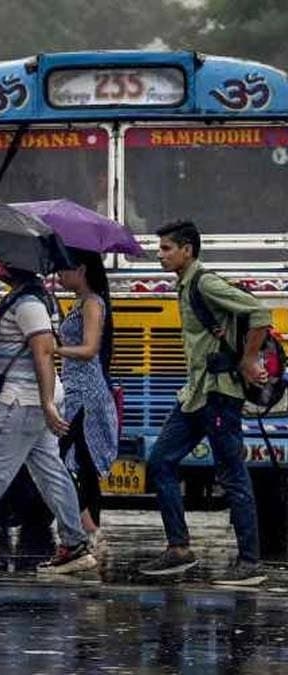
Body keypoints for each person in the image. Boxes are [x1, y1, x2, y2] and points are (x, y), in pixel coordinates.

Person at [139, 221, 270, 586]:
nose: (160, 255)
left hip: (219, 394)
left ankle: (249, 562)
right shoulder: (183, 286)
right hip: (195, 394)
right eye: (160, 248)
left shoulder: (205, 283)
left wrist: (248, 359)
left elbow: (260, 313)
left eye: (166, 248)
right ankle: (179, 549)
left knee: (231, 473)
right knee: (161, 461)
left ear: (188, 250)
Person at [0, 268, 97, 574]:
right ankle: (74, 543)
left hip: (21, 401)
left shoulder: (28, 302)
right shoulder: (28, 299)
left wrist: (45, 404)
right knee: (51, 472)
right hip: (31, 401)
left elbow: (43, 353)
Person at [54, 249, 118, 544]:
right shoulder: (78, 303)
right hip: (72, 389)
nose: (60, 276)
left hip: (86, 395)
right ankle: (90, 528)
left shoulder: (92, 303)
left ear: (81, 270)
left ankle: (88, 526)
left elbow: (90, 348)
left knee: (65, 458)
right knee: (78, 458)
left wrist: (54, 350)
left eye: (65, 270)